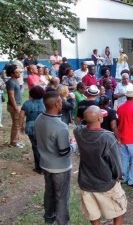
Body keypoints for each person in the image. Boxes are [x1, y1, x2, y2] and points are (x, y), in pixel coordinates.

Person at [74, 106, 127, 225]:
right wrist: (118, 176)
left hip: (86, 182)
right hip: (106, 182)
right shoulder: (107, 138)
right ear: (100, 118)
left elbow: (81, 125)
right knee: (118, 210)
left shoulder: (78, 132)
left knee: (93, 213)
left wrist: (86, 119)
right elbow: (116, 163)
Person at [35, 91, 77, 225]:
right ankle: (62, 222)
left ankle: (49, 218)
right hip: (60, 168)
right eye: (61, 101)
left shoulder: (39, 118)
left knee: (49, 193)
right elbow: (64, 152)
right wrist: (74, 145)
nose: (62, 102)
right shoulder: (61, 126)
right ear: (57, 104)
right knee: (62, 197)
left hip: (45, 164)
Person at [19, 86, 46, 173]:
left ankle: (39, 167)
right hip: (44, 126)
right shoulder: (46, 103)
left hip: (31, 127)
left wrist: (21, 126)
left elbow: (21, 116)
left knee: (35, 146)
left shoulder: (27, 103)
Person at [5, 64, 24, 148]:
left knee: (17, 124)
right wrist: (16, 107)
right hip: (14, 106)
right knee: (16, 124)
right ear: (12, 74)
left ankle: (15, 141)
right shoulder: (11, 82)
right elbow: (11, 96)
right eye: (16, 72)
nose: (19, 73)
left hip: (17, 105)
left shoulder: (15, 80)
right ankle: (13, 143)